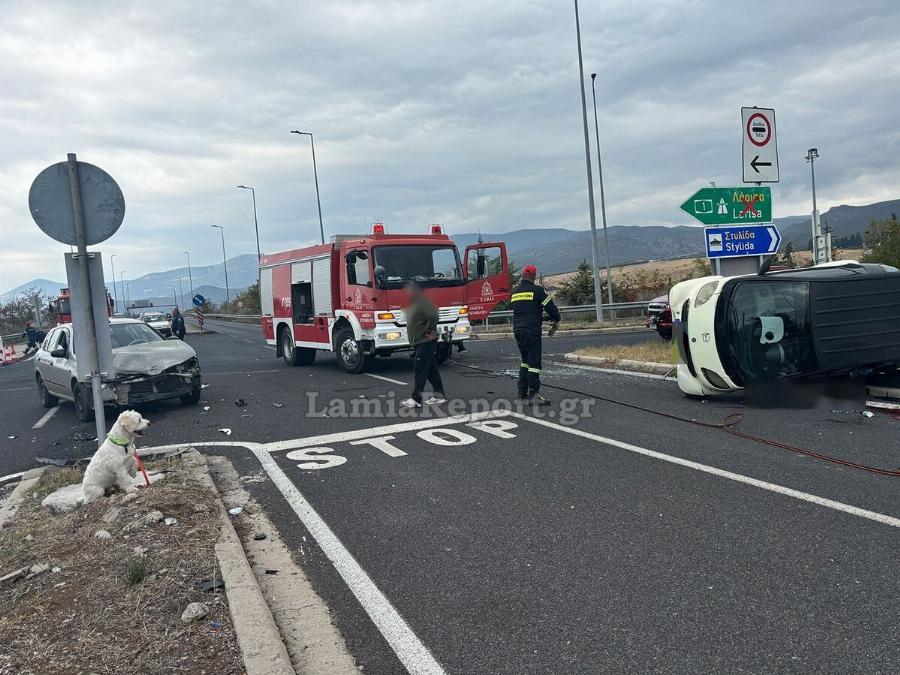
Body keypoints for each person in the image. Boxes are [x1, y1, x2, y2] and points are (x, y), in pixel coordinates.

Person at [511, 264, 560, 405]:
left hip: (518, 331)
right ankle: (533, 395)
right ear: (533, 276)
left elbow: (525, 311)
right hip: (532, 331)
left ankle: (522, 394)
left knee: (525, 361)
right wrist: (555, 317)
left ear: (522, 276)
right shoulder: (537, 290)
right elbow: (550, 307)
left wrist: (539, 317)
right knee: (533, 363)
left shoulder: (514, 292)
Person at [400, 283, 446, 408]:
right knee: (431, 370)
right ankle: (439, 395)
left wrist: (428, 330)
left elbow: (434, 316)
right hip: (420, 341)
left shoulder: (423, 302)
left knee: (419, 368)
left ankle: (416, 398)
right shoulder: (416, 304)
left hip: (425, 341)